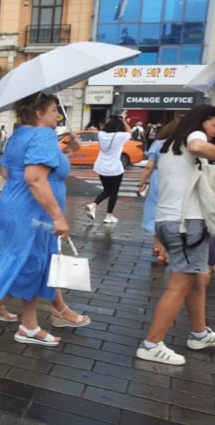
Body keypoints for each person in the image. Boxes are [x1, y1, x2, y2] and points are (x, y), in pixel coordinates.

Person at [0, 93, 88, 350]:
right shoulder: (44, 136)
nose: (57, 115)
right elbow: (35, 178)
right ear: (39, 113)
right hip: (33, 212)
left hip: (17, 206)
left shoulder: (20, 134)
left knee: (35, 262)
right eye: (53, 110)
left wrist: (68, 152)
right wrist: (58, 217)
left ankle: (29, 325)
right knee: (28, 264)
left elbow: (8, 172)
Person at [136, 105, 215, 365]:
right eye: (214, 124)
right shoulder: (195, 137)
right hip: (187, 223)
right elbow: (197, 146)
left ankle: (199, 333)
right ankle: (151, 344)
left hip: (169, 221)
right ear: (201, 122)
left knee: (197, 279)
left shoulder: (169, 145)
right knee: (178, 286)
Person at [137, 120, 179, 266]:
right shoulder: (184, 144)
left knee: (155, 212)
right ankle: (164, 250)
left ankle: (157, 246)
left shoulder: (159, 143)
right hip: (177, 181)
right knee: (171, 213)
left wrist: (141, 183)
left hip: (158, 179)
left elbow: (149, 166)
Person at [84, 114, 132, 224]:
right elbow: (130, 132)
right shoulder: (120, 136)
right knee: (113, 192)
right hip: (115, 168)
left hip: (101, 167)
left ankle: (94, 204)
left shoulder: (101, 135)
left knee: (107, 190)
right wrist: (124, 121)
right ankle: (108, 215)